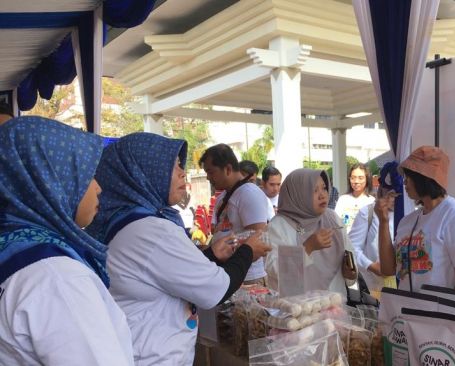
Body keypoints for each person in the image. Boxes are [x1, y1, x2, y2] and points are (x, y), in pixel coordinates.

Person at [86, 133, 270, 366]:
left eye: (180, 165)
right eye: (172, 167)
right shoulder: (151, 230)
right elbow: (215, 290)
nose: (183, 172)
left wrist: (210, 256)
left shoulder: (131, 222)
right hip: (154, 356)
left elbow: (163, 272)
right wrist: (248, 252)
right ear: (143, 172)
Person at [0, 116, 134, 365]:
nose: (98, 187)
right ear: (50, 180)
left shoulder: (13, 246)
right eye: (87, 174)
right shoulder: (56, 277)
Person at [376, 146, 455, 297]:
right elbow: (388, 269)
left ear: (424, 178)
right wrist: (383, 222)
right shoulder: (408, 221)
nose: (404, 182)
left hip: (439, 317)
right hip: (407, 315)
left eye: (409, 177)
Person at [265, 169, 357, 297]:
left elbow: (350, 254)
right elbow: (274, 270)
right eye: (314, 190)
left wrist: (350, 272)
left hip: (335, 308)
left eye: (324, 188)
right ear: (298, 194)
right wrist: (307, 248)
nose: (322, 195)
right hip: (298, 309)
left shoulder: (332, 218)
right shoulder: (279, 226)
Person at [202, 144, 270, 286]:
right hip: (229, 274)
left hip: (248, 278)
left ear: (227, 169)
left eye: (211, 172)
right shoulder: (223, 197)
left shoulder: (249, 193)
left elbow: (259, 239)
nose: (208, 178)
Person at [348, 162, 402, 298]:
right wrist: (371, 266)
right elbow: (352, 248)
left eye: (398, 195)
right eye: (390, 193)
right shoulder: (367, 213)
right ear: (381, 190)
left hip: (402, 288)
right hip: (373, 287)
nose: (393, 199)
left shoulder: (410, 215)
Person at [335, 163, 375, 233]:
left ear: (367, 179)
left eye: (360, 178)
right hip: (344, 241)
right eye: (353, 178)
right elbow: (336, 223)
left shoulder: (372, 201)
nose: (356, 181)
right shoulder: (342, 199)